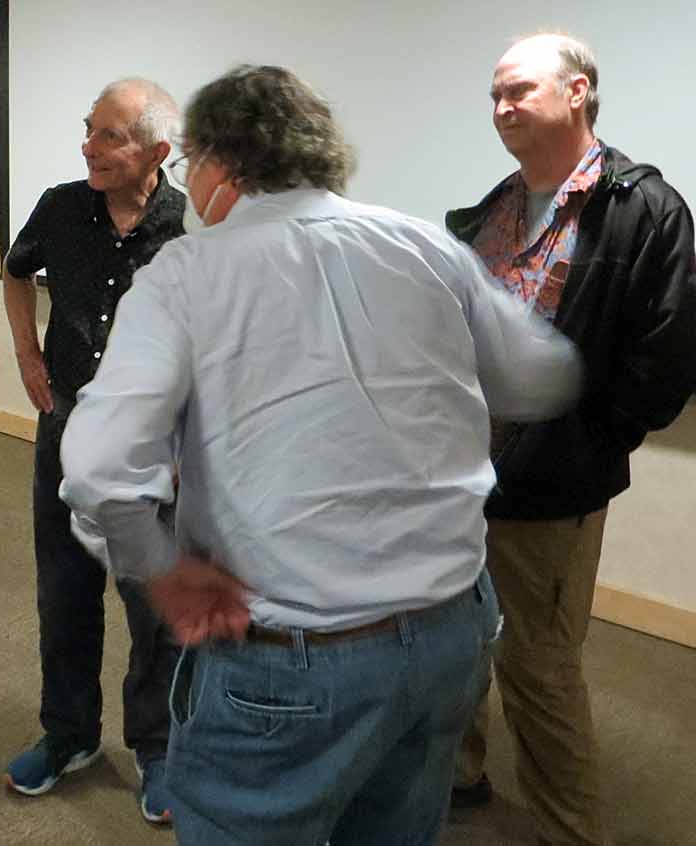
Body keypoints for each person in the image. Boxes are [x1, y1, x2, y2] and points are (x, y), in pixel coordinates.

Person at [59, 65, 585, 846]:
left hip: (292, 660)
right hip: (450, 635)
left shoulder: (188, 274)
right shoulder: (423, 247)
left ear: (221, 164)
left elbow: (98, 471)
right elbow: (541, 377)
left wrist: (160, 570)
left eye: (190, 163)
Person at [447, 33, 696, 845]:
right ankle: (460, 775)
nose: (501, 107)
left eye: (518, 90)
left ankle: (571, 830)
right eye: (494, 95)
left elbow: (663, 362)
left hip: (552, 486)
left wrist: (586, 444)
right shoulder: (497, 204)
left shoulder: (644, 209)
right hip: (459, 473)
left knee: (538, 666)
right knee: (455, 639)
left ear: (578, 91)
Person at [0, 78, 184, 822]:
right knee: (64, 588)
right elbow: (16, 271)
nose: (89, 147)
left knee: (153, 605)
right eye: (89, 129)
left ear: (157, 151)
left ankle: (158, 748)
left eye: (110, 135)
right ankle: (69, 734)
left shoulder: (192, 228)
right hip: (67, 427)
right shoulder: (59, 206)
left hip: (150, 445)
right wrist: (26, 353)